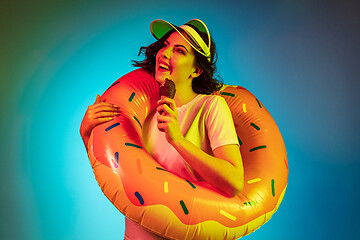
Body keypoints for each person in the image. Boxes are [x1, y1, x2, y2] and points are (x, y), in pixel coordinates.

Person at [80, 19, 244, 240]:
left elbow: (233, 181)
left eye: (179, 50)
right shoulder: (141, 108)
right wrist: (87, 132)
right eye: (165, 45)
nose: (165, 53)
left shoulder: (210, 107)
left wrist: (178, 140)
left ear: (196, 70)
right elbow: (115, 172)